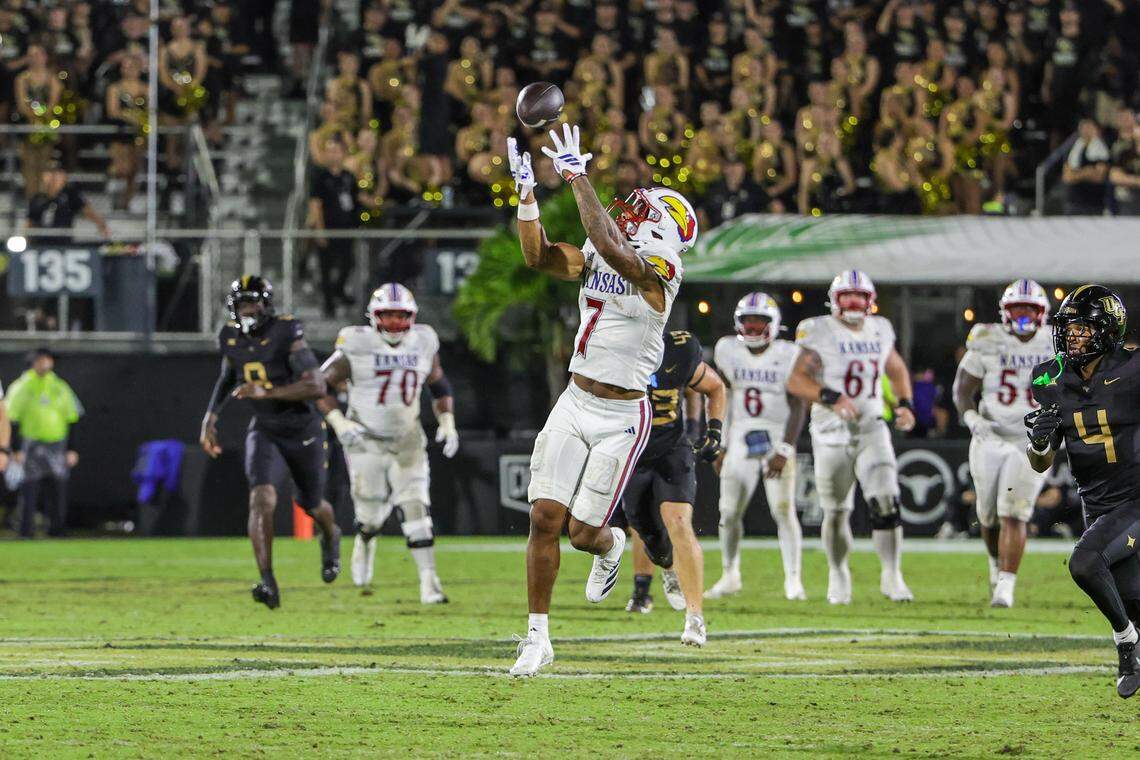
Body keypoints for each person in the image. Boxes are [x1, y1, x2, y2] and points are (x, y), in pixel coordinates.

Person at [505, 124, 695, 676]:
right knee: (544, 516)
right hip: (575, 396)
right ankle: (538, 637)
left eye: (646, 209)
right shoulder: (604, 240)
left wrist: (577, 177)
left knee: (584, 533)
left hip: (621, 414)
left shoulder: (664, 270)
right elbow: (541, 258)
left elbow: (614, 248)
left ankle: (610, 546)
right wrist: (527, 200)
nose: (634, 210)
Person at [199, 276, 342, 609]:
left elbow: (317, 386)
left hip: (301, 426)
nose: (248, 311)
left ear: (266, 306)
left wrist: (270, 392)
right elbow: (227, 375)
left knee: (310, 502)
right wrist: (211, 416)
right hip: (264, 427)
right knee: (261, 498)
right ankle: (268, 580)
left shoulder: (286, 331)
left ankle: (331, 534)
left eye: (253, 304)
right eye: (242, 304)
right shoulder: (229, 336)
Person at [1025, 284, 1140, 698]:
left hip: (1135, 499)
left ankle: (1126, 645)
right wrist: (1038, 442)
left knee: (1085, 563)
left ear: (1108, 331)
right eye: (1069, 328)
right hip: (1097, 505)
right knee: (1132, 602)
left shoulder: (1133, 370)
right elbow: (1041, 461)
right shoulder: (1049, 377)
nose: (1073, 336)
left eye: (1084, 328)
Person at [317, 283, 458, 604]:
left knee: (416, 507)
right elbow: (319, 385)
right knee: (371, 515)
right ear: (373, 317)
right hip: (365, 440)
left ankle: (429, 582)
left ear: (412, 317)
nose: (394, 323)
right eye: (388, 316)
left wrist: (447, 421)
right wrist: (339, 421)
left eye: (400, 316)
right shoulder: (356, 343)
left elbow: (439, 384)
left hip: (407, 438)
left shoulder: (423, 340)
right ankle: (365, 541)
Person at [787, 270, 917, 605]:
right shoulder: (819, 331)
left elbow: (896, 368)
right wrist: (830, 396)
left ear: (871, 301)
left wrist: (904, 404)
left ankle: (892, 574)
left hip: (872, 426)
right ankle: (838, 571)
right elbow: (796, 380)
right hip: (831, 431)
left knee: (887, 498)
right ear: (835, 300)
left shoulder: (880, 328)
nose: (855, 303)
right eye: (848, 296)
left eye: (860, 296)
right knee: (836, 510)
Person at [619, 329, 725, 646]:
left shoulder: (678, 348)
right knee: (643, 529)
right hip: (629, 451)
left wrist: (714, 431)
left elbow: (715, 387)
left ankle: (695, 618)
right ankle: (666, 564)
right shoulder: (611, 343)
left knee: (679, 522)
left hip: (670, 448)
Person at [953, 280, 1055, 608]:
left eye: (1030, 309)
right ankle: (995, 567)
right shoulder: (987, 338)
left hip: (1032, 437)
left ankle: (1005, 587)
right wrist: (972, 419)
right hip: (991, 436)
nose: (1023, 315)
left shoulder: (1056, 342)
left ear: (1043, 313)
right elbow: (962, 389)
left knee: (1014, 511)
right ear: (1005, 312)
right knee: (987, 515)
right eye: (1017, 309)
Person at [708, 293, 809, 601]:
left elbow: (799, 402)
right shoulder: (727, 350)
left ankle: (793, 579)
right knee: (728, 511)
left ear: (773, 324)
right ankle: (730, 574)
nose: (752, 326)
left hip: (776, 434)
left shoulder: (789, 353)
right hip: (740, 434)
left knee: (783, 509)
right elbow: (720, 395)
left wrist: (785, 449)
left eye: (759, 320)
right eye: (748, 320)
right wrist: (720, 443)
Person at [7, 348, 80, 538]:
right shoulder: (22, 386)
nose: (45, 364)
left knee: (58, 492)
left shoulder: (60, 386)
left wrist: (72, 448)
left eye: (47, 360)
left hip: (57, 446)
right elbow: (10, 418)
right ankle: (25, 532)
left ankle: (57, 531)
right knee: (29, 491)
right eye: (40, 360)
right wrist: (14, 448)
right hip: (30, 446)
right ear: (33, 363)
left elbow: (72, 418)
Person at [306, 139, 360, 317]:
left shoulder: (348, 176)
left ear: (343, 153)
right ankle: (329, 303)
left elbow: (356, 200)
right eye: (329, 151)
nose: (333, 154)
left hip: (346, 228)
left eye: (336, 150)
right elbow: (315, 204)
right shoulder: (320, 176)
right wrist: (319, 230)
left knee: (348, 263)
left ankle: (339, 290)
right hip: (328, 228)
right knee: (326, 268)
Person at [26, 162, 111, 243]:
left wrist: (102, 225)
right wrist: (26, 240)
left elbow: (88, 212)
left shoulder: (71, 195)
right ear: (43, 176)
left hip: (63, 243)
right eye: (49, 173)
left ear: (64, 176)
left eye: (57, 173)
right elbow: (29, 222)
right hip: (39, 244)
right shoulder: (37, 198)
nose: (53, 177)